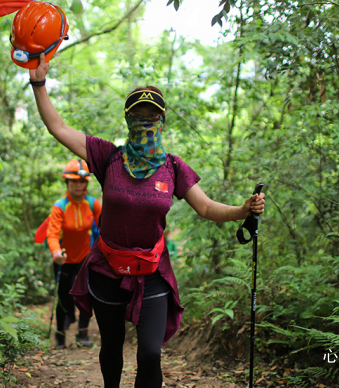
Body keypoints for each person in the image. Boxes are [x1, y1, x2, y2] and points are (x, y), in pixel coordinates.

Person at [29, 53, 265, 387]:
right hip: (107, 270)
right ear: (127, 119)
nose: (145, 121)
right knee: (112, 347)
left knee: (150, 354)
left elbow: (208, 208)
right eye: (138, 115)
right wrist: (38, 82)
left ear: (161, 119)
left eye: (151, 115)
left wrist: (242, 210)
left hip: (152, 272)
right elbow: (58, 126)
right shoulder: (107, 156)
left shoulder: (172, 167)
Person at [45, 158, 102, 349]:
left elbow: (104, 230)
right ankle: (60, 336)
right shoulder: (60, 206)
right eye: (74, 181)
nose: (79, 185)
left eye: (82, 181)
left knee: (87, 293)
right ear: (67, 183)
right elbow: (52, 234)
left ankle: (83, 334)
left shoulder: (93, 204)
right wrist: (56, 252)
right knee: (64, 295)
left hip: (86, 255)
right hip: (63, 258)